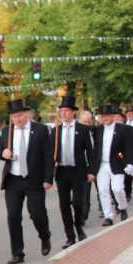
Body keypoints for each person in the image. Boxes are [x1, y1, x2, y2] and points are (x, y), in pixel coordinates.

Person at [0, 98, 54, 264]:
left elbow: (48, 155)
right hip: (13, 180)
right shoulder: (6, 131)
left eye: (20, 115)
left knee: (37, 214)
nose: (17, 119)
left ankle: (45, 236)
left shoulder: (40, 130)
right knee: (13, 216)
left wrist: (48, 178)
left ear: (27, 114)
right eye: (14, 117)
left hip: (34, 180)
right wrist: (3, 153)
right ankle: (17, 253)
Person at [52, 96, 95, 249]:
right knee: (64, 205)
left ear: (73, 112)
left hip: (78, 171)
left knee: (77, 203)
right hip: (62, 171)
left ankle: (79, 227)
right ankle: (70, 236)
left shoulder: (83, 129)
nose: (64, 113)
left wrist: (91, 171)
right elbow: (50, 153)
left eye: (67, 111)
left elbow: (90, 152)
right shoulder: (56, 131)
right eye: (62, 111)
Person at [93, 104, 133, 226]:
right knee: (103, 190)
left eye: (107, 115)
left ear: (113, 116)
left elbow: (130, 148)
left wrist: (130, 163)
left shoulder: (125, 129)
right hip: (101, 165)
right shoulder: (97, 130)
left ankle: (122, 207)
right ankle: (108, 216)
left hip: (117, 164)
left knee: (117, 189)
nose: (105, 118)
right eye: (102, 116)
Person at [77, 109, 96, 223]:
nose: (87, 124)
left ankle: (83, 215)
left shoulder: (95, 132)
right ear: (79, 121)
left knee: (85, 193)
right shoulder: (74, 132)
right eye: (84, 122)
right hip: (75, 167)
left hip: (89, 166)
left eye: (89, 122)